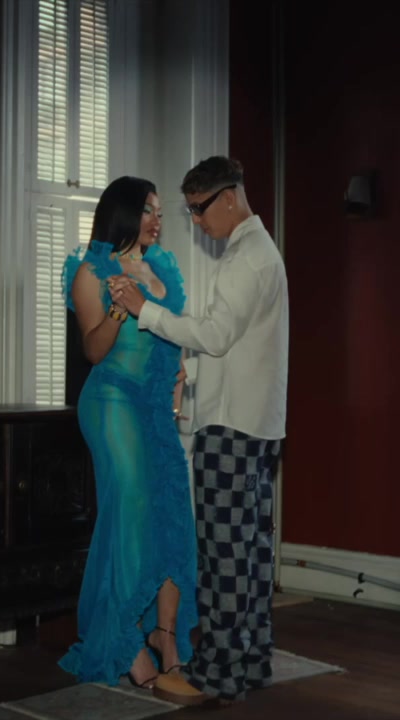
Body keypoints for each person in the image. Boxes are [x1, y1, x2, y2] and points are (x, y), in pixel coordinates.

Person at [113, 157, 289, 706]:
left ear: (229, 197)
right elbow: (235, 342)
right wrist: (192, 368)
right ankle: (251, 662)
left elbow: (214, 335)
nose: (194, 221)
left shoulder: (245, 258)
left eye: (198, 209)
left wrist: (145, 310)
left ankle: (215, 673)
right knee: (251, 554)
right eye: (188, 210)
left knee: (222, 558)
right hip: (258, 424)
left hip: (232, 429)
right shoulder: (258, 252)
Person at [58, 175, 198, 690]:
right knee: (133, 512)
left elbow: (171, 335)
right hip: (112, 401)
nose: (157, 220)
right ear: (123, 213)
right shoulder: (92, 271)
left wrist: (178, 382)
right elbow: (94, 351)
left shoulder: (162, 267)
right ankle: (124, 641)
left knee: (174, 513)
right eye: (148, 210)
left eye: (160, 211)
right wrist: (120, 307)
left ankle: (166, 634)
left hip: (155, 407)